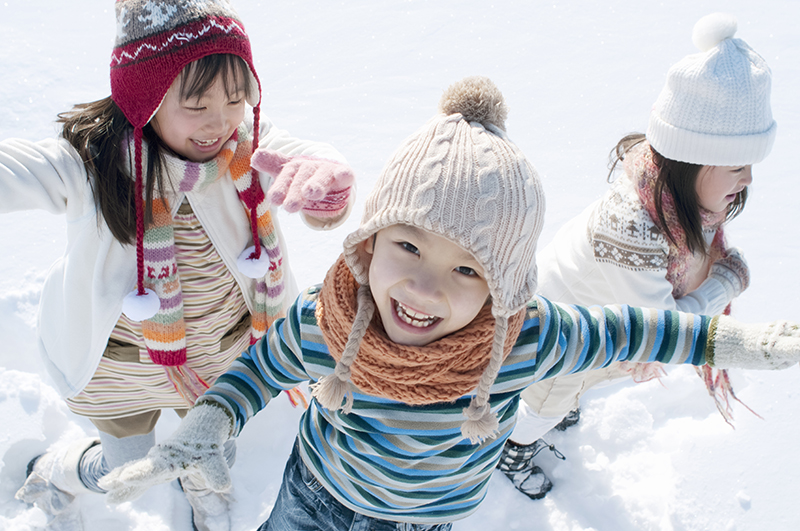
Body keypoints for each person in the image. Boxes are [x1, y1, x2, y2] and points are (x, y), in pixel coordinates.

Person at [98, 75, 798, 531]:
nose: (425, 288)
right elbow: (264, 369)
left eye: (468, 268)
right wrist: (215, 415)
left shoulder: (526, 337)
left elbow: (632, 330)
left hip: (424, 521)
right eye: (406, 247)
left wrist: (734, 342)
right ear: (371, 242)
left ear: (503, 289)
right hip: (315, 497)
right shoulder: (334, 318)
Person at [8, 1, 355, 530]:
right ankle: (61, 473)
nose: (221, 122)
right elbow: (17, 169)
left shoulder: (246, 149)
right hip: (121, 370)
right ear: (144, 99)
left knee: (216, 447)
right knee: (124, 465)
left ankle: (203, 493)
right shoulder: (91, 165)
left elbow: (304, 155)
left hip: (219, 358)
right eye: (198, 104)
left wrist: (326, 175)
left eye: (237, 98)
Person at [499, 12, 777, 500]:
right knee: (543, 405)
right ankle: (513, 447)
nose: (748, 180)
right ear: (692, 162)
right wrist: (724, 283)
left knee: (573, 390)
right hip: (557, 338)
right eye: (737, 166)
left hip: (600, 323)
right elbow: (661, 333)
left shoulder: (672, 204)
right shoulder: (633, 231)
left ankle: (560, 406)